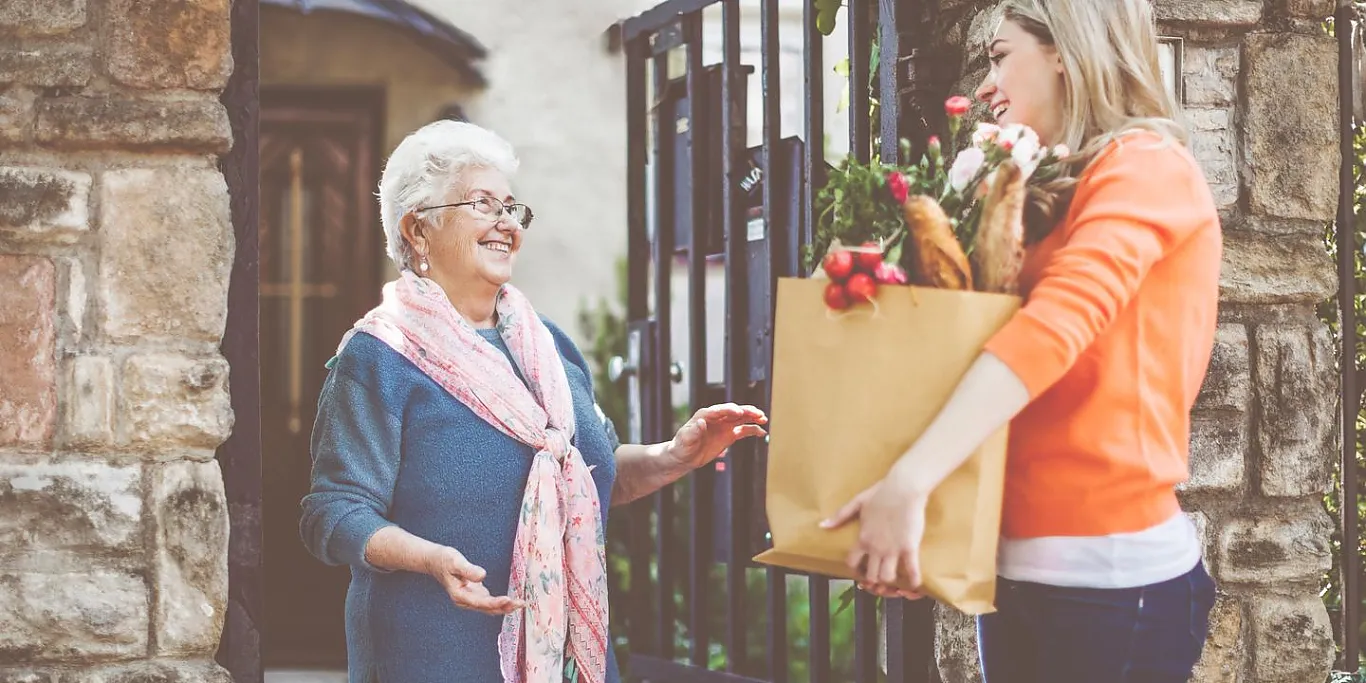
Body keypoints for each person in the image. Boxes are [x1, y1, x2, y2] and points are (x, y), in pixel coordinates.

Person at [822, 1, 1220, 681]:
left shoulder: (1148, 167)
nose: (982, 86)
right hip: (1013, 576)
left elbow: (1052, 330)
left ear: (1065, 48)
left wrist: (912, 482)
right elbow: (979, 365)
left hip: (1113, 587)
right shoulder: (1043, 184)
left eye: (1001, 55)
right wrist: (930, 514)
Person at [300, 120, 767, 683]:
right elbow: (333, 513)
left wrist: (675, 455)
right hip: (432, 655)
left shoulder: (546, 344)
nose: (506, 223)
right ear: (417, 230)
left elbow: (594, 475)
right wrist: (430, 559)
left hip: (568, 655)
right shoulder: (379, 357)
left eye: (513, 208)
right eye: (483, 204)